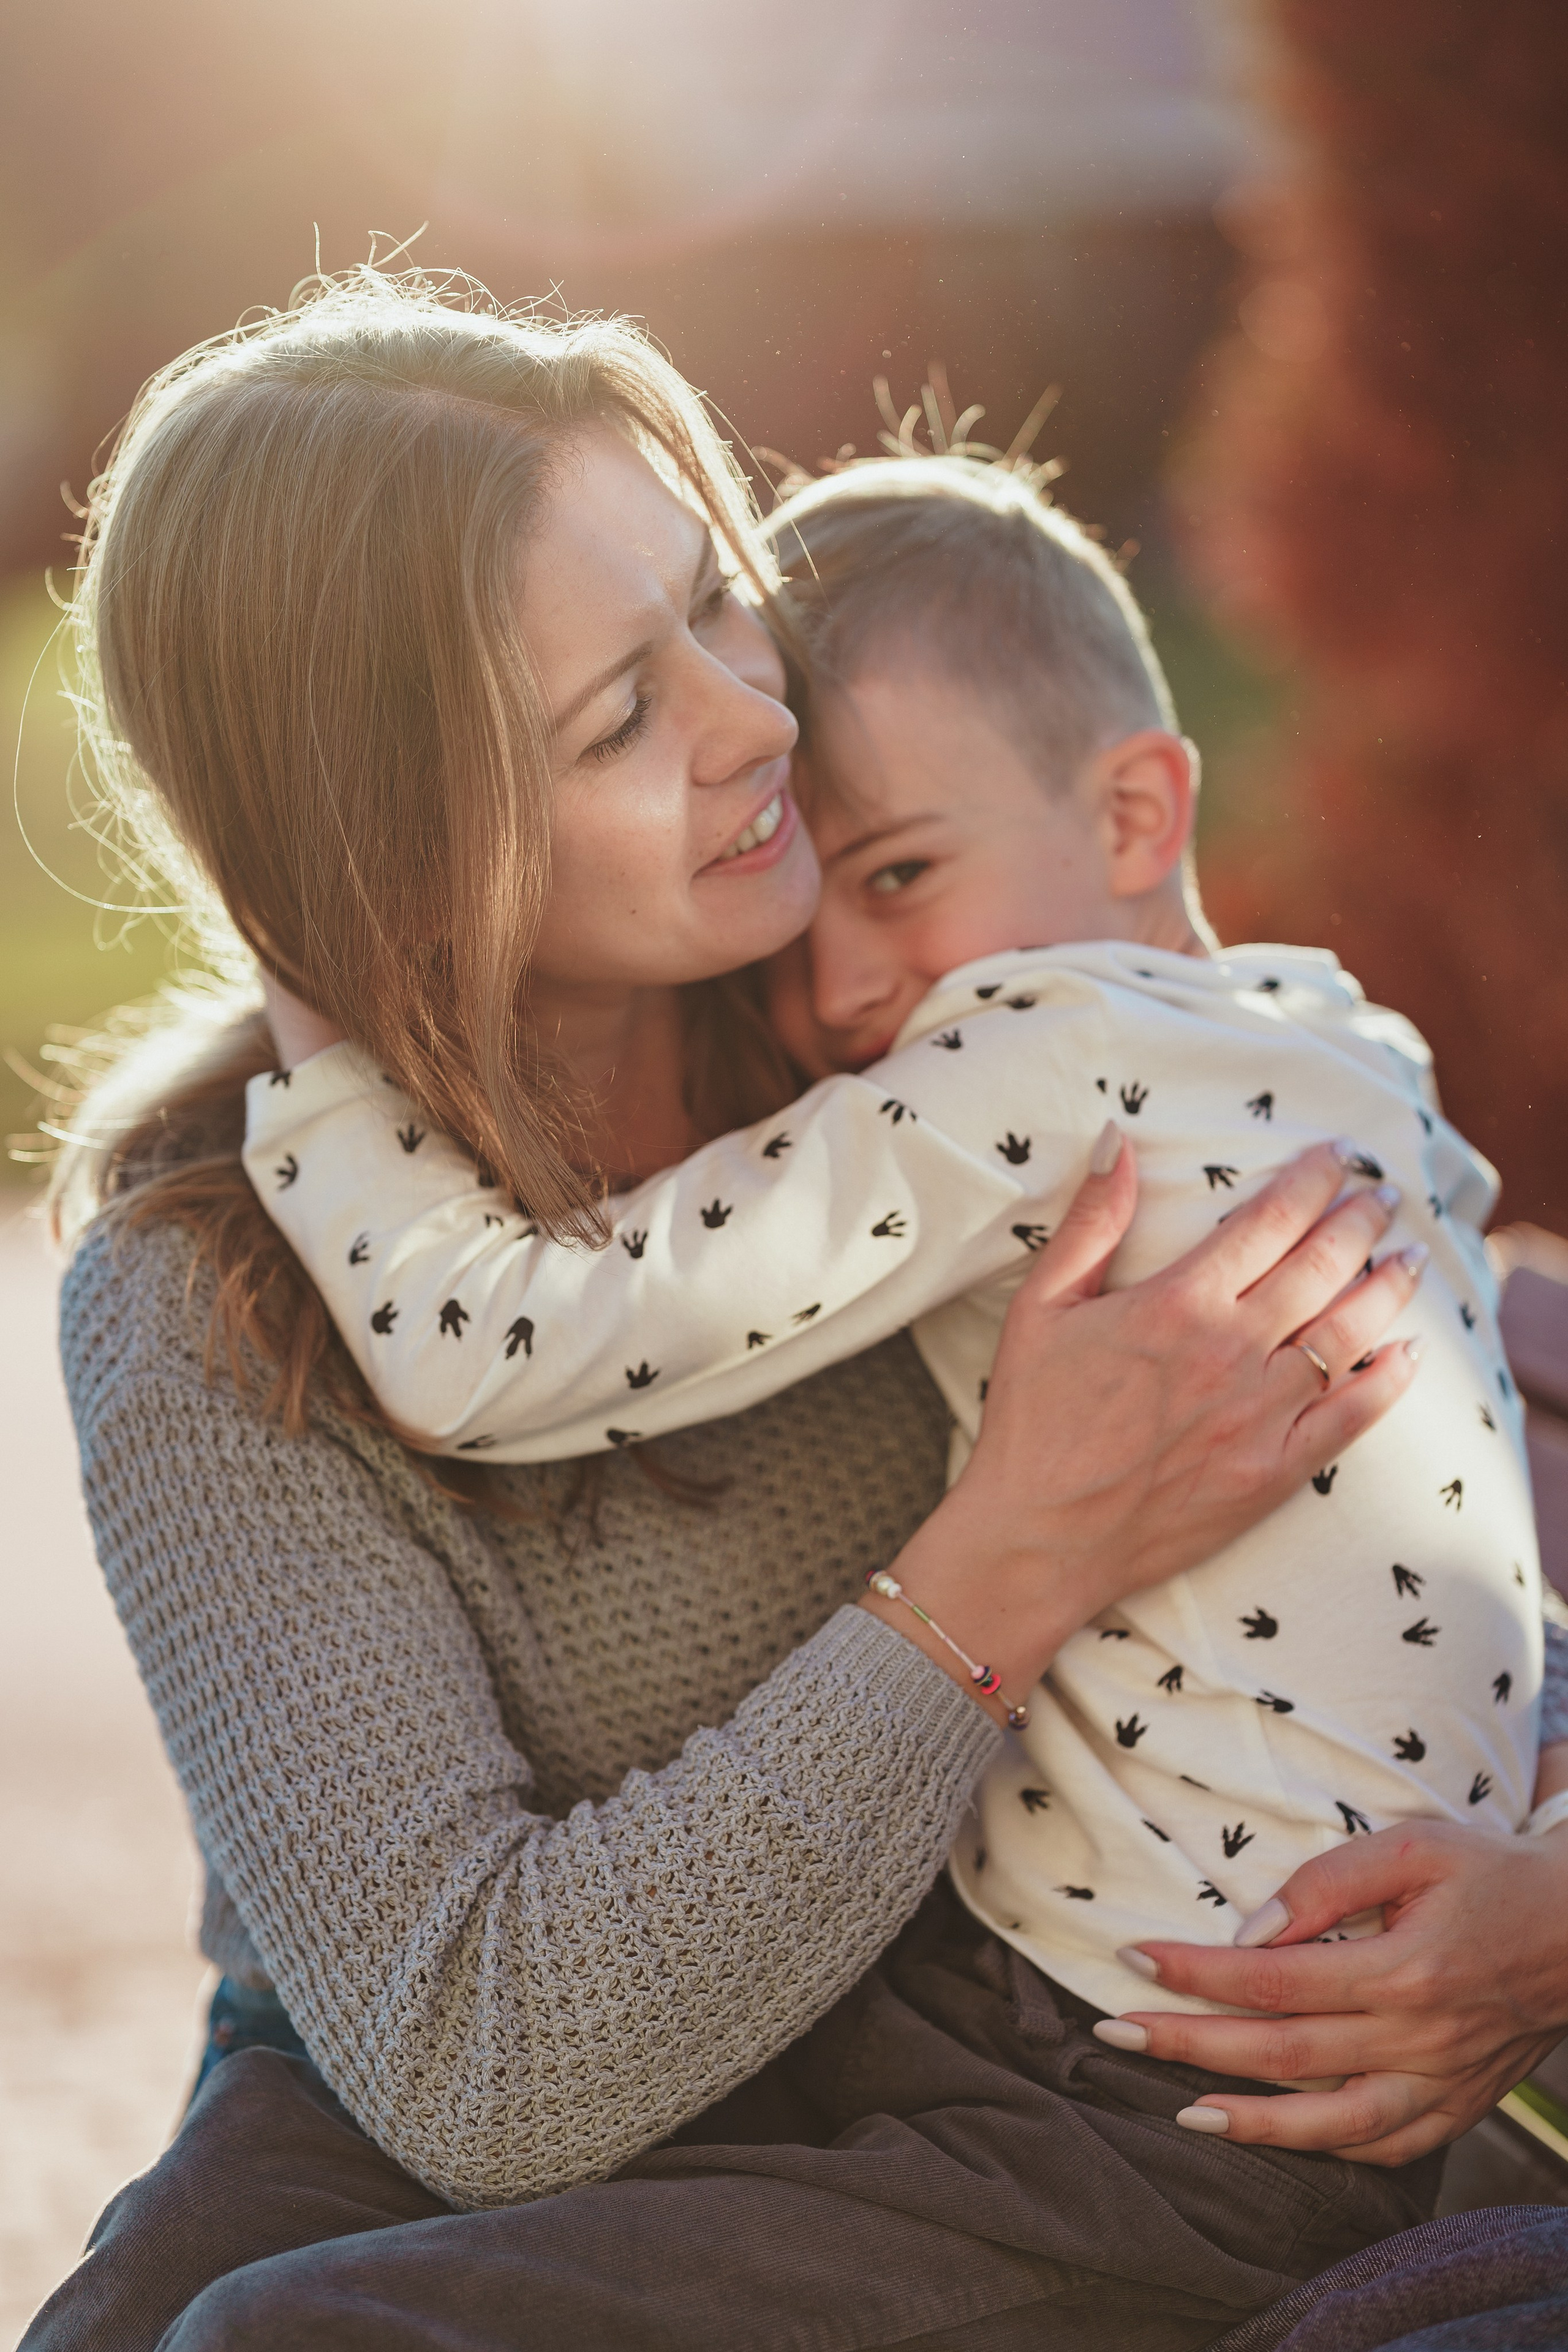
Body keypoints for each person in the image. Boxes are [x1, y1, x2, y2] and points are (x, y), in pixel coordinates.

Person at [20, 273, 1568, 2351]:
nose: (762, 722)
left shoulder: (913, 1026)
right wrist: (1005, 1564)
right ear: (402, 847)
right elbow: (481, 2068)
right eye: (618, 716)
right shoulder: (220, 1294)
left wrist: (1549, 1913)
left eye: (714, 604)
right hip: (532, 2117)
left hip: (1095, 2080)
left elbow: (1413, 1515)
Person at [241, 452, 1547, 2059]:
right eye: (804, 928)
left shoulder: (1037, 1058)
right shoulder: (1343, 1038)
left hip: (1138, 2038)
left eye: (902, 878)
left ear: (1138, 811)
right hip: (1327, 1962)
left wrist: (311, 1034)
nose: (845, 990)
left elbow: (499, 1343)